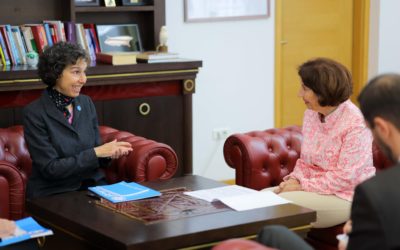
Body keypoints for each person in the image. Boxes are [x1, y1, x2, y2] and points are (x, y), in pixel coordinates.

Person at [258, 73, 400, 250]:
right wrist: (297, 180)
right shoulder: (311, 115)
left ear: (382, 128)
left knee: (271, 229)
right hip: (320, 189)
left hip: (341, 194)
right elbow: (306, 161)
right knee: (261, 202)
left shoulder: (376, 192)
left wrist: (350, 241)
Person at [267, 58, 375, 228]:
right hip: (316, 189)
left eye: (304, 88)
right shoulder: (312, 113)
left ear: (322, 91)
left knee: (271, 209)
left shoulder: (356, 124)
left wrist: (302, 185)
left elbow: (345, 177)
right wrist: (293, 180)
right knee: (258, 200)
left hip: (346, 196)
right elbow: (306, 161)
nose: (299, 94)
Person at [23, 42, 132, 199]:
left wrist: (109, 153)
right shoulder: (34, 113)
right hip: (55, 193)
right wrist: (97, 153)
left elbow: (96, 155)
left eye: (84, 72)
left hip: (93, 187)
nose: (83, 79)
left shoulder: (85, 103)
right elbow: (50, 169)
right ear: (56, 73)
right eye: (76, 72)